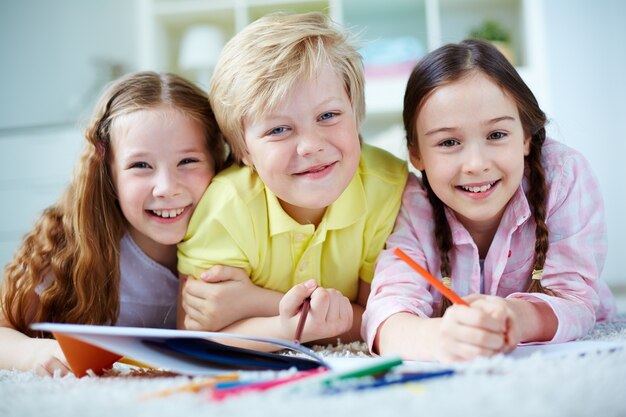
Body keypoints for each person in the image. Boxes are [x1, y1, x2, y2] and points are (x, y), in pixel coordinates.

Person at [362, 39, 617, 362]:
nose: (476, 164)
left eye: (496, 135)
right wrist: (440, 338)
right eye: (449, 142)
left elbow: (576, 300)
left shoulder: (563, 176)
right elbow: (387, 312)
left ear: (525, 136)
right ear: (416, 154)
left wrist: (516, 316)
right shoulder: (414, 203)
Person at [177, 12, 408, 346]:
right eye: (278, 129)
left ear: (356, 113)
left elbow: (379, 318)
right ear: (244, 151)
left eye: (328, 116)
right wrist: (294, 324)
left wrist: (252, 302)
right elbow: (195, 332)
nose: (311, 146)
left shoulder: (386, 186)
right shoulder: (227, 205)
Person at [0, 71, 233, 375]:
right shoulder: (69, 246)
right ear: (108, 172)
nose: (166, 187)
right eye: (140, 165)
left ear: (216, 160)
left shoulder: (246, 234)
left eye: (187, 161)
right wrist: (33, 353)